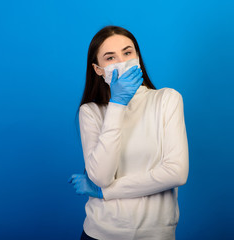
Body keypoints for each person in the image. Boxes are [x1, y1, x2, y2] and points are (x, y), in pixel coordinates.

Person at [68, 26, 189, 240]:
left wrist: (106, 193)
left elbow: (176, 173)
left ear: (138, 57)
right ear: (98, 69)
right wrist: (117, 104)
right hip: (100, 233)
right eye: (110, 57)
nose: (122, 61)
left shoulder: (167, 99)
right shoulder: (91, 112)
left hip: (156, 234)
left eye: (127, 52)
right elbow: (101, 177)